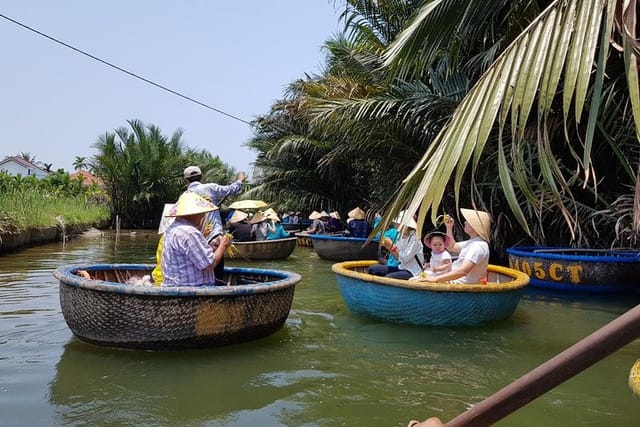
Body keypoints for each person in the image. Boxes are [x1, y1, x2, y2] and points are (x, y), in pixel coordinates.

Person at [183, 166, 246, 278]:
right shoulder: (210, 188)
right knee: (217, 272)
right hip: (214, 236)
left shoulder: (184, 196)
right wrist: (240, 180)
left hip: (196, 240)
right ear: (202, 177)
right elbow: (231, 189)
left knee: (201, 270)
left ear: (186, 180)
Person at [160, 192, 231, 287]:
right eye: (202, 213)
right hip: (192, 288)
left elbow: (192, 254)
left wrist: (212, 246)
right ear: (194, 213)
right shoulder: (190, 232)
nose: (203, 216)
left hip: (176, 285)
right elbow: (209, 265)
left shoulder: (171, 228)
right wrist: (223, 245)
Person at [416, 208, 491, 284]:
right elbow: (451, 246)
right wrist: (449, 227)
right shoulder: (472, 242)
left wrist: (435, 279)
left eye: (468, 221)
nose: (465, 222)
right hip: (453, 280)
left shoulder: (478, 246)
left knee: (416, 280)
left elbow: (463, 271)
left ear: (474, 226)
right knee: (417, 278)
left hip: (458, 284)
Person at [369, 211, 423, 279]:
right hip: (401, 267)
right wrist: (388, 246)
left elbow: (404, 259)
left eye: (399, 224)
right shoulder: (400, 236)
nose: (397, 226)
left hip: (413, 271)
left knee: (388, 278)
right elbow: (397, 258)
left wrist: (391, 246)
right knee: (373, 269)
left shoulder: (415, 239)